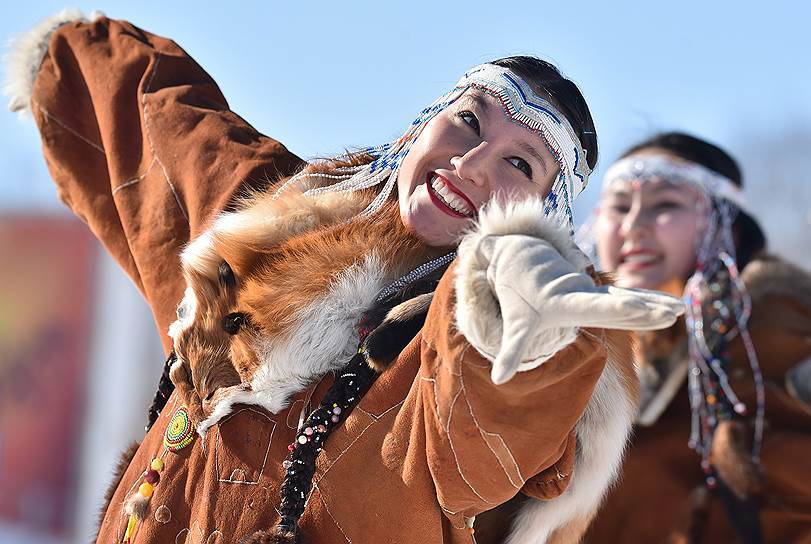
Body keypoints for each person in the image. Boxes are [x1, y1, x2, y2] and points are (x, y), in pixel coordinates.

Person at [6, 11, 683, 544]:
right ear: (419, 130)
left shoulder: (468, 344)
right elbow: (166, 129)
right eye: (467, 120)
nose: (472, 163)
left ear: (546, 215)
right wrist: (66, 53)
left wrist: (521, 324)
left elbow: (482, 433)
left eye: (519, 165)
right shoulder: (273, 220)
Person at [583, 132, 811, 543]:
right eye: (619, 206)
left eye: (665, 205)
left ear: (727, 229)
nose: (634, 225)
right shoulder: (570, 347)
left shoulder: (771, 333)